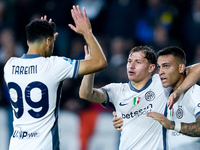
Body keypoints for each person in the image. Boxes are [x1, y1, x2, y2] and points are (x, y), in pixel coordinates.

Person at [4, 5, 107, 150]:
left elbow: (38, 70)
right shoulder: (54, 65)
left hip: (16, 145)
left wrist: (45, 39)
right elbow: (100, 62)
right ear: (48, 42)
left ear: (28, 41)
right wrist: (87, 32)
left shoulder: (10, 66)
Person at [79, 45, 200, 149]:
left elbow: (195, 69)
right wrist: (90, 68)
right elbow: (85, 94)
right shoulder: (116, 90)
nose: (131, 66)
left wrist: (178, 91)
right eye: (129, 61)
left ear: (151, 68)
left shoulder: (161, 83)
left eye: (138, 62)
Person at [146, 46, 200, 149]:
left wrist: (172, 125)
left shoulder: (195, 93)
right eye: (159, 67)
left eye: (166, 66)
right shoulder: (165, 92)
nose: (161, 72)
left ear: (181, 68)